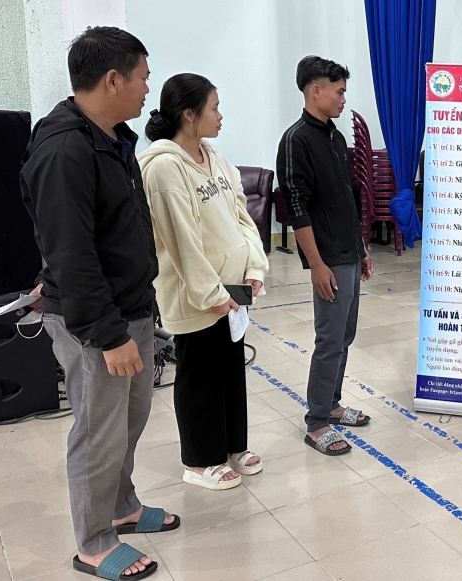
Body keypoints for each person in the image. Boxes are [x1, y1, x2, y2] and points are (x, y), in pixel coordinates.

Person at [20, 26, 177, 580]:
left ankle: (121, 506)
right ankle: (93, 542)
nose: (147, 89)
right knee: (98, 431)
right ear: (113, 79)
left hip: (130, 308)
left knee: (128, 420)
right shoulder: (65, 148)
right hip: (96, 323)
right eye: (142, 79)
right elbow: (71, 252)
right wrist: (109, 335)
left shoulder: (112, 138)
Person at [138, 73, 270, 490]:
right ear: (189, 115)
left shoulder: (215, 157)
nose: (221, 115)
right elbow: (181, 241)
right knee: (200, 376)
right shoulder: (164, 166)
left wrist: (253, 268)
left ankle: (231, 447)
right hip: (196, 295)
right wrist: (210, 293)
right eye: (214, 108)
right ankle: (198, 462)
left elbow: (242, 218)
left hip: (232, 291)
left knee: (230, 370)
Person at [277, 56, 373, 456]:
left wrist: (362, 249)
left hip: (348, 251)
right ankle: (317, 421)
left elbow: (347, 199)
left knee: (345, 336)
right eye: (339, 91)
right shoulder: (296, 140)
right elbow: (296, 207)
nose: (343, 99)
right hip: (327, 257)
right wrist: (316, 264)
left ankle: (332, 404)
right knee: (330, 338)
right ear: (316, 90)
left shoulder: (334, 137)